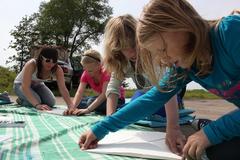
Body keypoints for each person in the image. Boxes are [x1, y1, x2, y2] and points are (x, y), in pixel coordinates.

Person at [79, 1, 240, 160]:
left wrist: (211, 132)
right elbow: (152, 99)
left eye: (162, 50)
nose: (163, 61)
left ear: (180, 24)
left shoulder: (230, 32)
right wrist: (100, 129)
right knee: (214, 152)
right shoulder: (186, 66)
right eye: (157, 54)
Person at [79, 14, 186, 154]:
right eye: (125, 48)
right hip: (145, 94)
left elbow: (166, 89)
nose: (132, 52)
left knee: (139, 105)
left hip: (169, 95)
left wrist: (173, 127)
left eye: (134, 45)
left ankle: (181, 110)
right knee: (135, 102)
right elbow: (113, 88)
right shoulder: (121, 61)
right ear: (116, 49)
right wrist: (109, 119)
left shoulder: (153, 53)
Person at [64, 49, 125, 116]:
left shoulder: (106, 72)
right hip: (101, 99)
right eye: (85, 69)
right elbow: (79, 92)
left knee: (90, 102)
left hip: (116, 100)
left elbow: (104, 95)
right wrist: (72, 107)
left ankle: (119, 108)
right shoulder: (86, 73)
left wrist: (88, 110)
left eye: (90, 70)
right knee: (79, 102)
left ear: (99, 65)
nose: (87, 73)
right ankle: (95, 107)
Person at [13, 46, 74, 110]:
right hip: (20, 85)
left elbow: (63, 89)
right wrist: (37, 105)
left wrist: (71, 106)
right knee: (36, 102)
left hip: (38, 85)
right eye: (48, 60)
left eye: (54, 61)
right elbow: (25, 87)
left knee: (51, 102)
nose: (51, 64)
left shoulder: (57, 69)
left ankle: (30, 99)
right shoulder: (32, 64)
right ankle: (21, 100)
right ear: (41, 58)